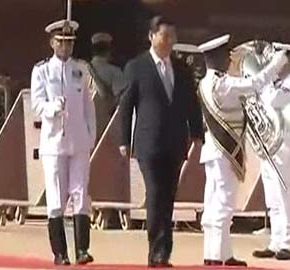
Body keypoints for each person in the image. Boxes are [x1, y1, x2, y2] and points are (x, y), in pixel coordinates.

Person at [118, 15, 204, 268]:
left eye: (172, 37)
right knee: (155, 195)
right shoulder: (137, 67)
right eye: (164, 36)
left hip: (175, 142)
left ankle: (164, 252)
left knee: (168, 198)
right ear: (151, 36)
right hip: (148, 143)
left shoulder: (181, 68)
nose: (169, 41)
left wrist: (197, 133)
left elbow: (191, 103)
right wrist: (124, 139)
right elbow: (127, 106)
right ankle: (156, 253)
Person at [198, 34, 288, 266]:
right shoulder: (222, 84)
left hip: (214, 152)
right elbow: (256, 83)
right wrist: (278, 62)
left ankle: (218, 254)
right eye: (226, 55)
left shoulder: (207, 81)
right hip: (224, 152)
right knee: (224, 205)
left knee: (213, 204)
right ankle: (217, 257)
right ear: (216, 58)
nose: (230, 59)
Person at [31, 19, 96, 265]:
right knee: (56, 197)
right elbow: (37, 104)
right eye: (61, 43)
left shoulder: (80, 69)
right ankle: (60, 253)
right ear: (52, 43)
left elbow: (88, 107)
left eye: (69, 43)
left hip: (78, 140)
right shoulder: (42, 70)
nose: (65, 48)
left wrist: (91, 136)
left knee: (80, 194)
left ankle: (82, 250)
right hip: (54, 141)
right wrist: (51, 108)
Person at [252, 42, 290, 260]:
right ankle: (275, 241)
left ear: (289, 59)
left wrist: (269, 79)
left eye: (279, 57)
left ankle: (289, 244)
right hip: (269, 145)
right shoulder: (278, 83)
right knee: (272, 197)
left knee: (285, 194)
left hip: (286, 146)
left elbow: (274, 100)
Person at [89, 32, 128, 141]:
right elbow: (122, 99)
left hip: (85, 124)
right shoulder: (114, 72)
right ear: (109, 50)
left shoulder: (82, 70)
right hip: (106, 125)